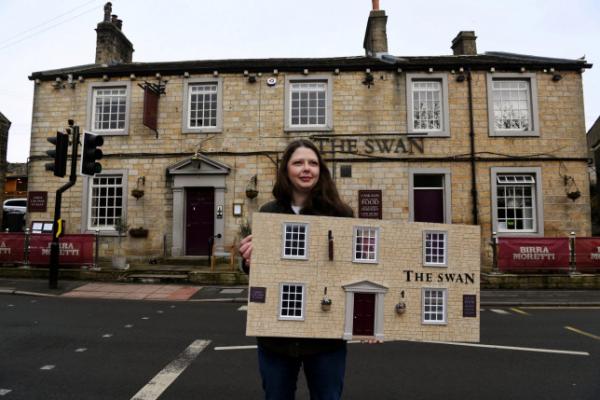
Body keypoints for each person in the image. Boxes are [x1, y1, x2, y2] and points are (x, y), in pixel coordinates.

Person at [239, 139, 353, 400]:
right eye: (298, 162)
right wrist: (247, 261)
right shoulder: (269, 213)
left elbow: (351, 273)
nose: (306, 168)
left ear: (320, 170)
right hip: (276, 339)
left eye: (313, 163)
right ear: (286, 170)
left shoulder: (341, 214)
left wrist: (367, 321)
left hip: (326, 339)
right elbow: (258, 269)